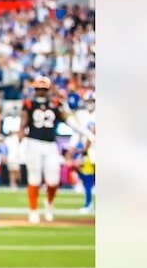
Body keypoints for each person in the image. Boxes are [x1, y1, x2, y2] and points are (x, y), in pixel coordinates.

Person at [19, 76, 95, 223]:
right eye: (39, 89)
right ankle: (33, 210)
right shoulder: (28, 104)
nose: (41, 92)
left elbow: (68, 120)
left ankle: (49, 204)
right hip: (33, 143)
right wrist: (21, 141)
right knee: (34, 178)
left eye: (44, 89)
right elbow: (23, 124)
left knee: (53, 179)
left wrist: (86, 133)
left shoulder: (55, 103)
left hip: (50, 144)